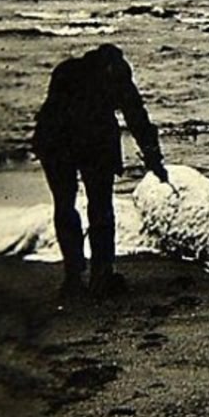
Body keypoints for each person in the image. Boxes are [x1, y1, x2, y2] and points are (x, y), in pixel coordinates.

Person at [32, 44, 168, 297]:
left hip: (55, 143)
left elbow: (49, 114)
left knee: (64, 206)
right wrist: (154, 159)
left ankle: (73, 276)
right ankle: (101, 276)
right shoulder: (117, 73)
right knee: (101, 207)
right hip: (91, 142)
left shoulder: (66, 70)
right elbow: (136, 115)